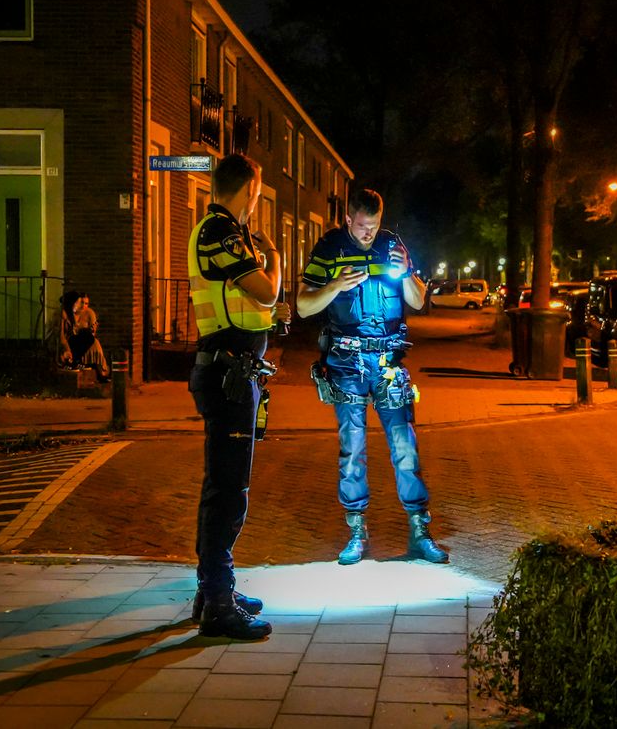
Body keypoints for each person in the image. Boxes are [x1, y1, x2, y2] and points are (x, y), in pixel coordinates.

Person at [296, 188, 448, 565]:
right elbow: (301, 305)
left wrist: (408, 270)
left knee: (405, 446)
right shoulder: (329, 247)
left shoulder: (392, 244)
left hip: (389, 362)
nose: (368, 234)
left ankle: (419, 531)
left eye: (374, 226)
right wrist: (334, 286)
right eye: (362, 226)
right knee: (353, 450)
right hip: (347, 362)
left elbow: (416, 301)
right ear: (348, 219)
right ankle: (356, 532)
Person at [186, 152, 287, 640]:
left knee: (223, 486)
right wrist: (279, 260)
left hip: (232, 372)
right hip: (226, 374)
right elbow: (266, 292)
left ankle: (213, 590)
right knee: (229, 491)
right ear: (250, 189)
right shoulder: (219, 232)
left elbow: (252, 301)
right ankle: (218, 606)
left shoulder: (225, 233)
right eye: (258, 192)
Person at [58, 290, 109, 382]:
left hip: (71, 341)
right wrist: (68, 350)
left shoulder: (80, 313)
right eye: (78, 303)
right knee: (88, 337)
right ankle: (72, 362)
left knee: (88, 336)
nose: (80, 306)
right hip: (62, 344)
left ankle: (78, 362)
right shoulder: (63, 314)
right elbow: (60, 336)